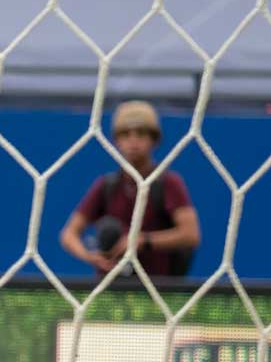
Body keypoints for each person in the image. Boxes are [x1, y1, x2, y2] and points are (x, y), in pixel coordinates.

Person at [59, 101, 199, 281]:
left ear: (154, 140)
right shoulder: (107, 185)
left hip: (155, 287)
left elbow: (190, 234)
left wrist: (143, 241)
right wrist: (90, 256)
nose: (133, 141)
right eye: (125, 134)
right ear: (116, 141)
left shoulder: (168, 183)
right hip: (110, 286)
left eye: (141, 133)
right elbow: (69, 234)